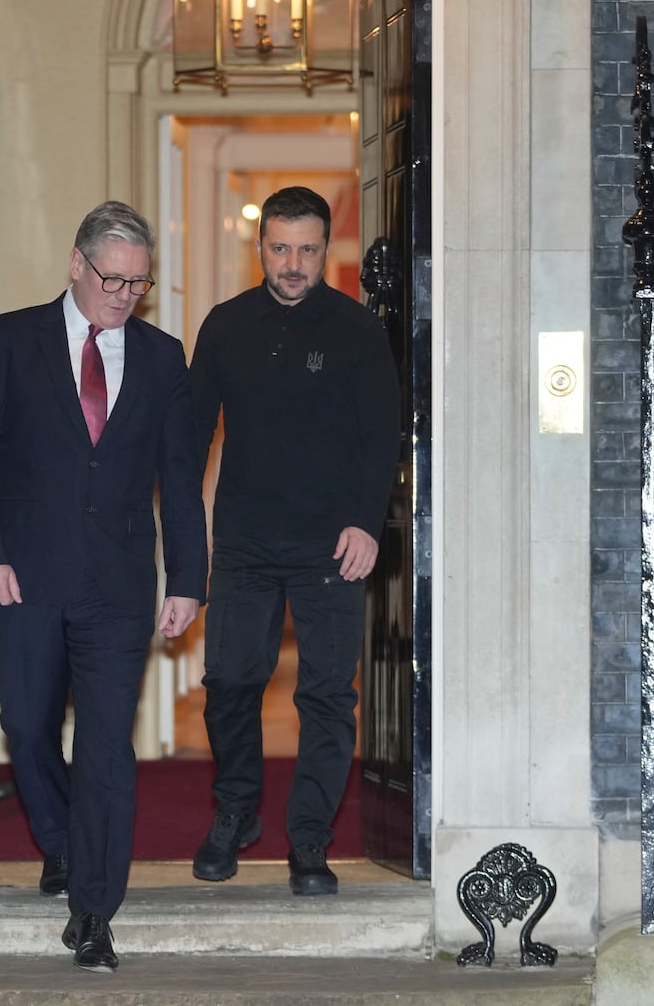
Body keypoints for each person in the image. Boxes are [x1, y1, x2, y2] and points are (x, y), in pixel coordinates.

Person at [0, 200, 208, 972]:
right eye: (112, 279)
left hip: (119, 583)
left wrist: (188, 579)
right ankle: (61, 842)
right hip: (24, 575)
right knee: (27, 727)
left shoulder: (163, 359)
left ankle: (94, 910)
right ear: (76, 263)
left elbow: (181, 480)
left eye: (139, 282)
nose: (125, 295)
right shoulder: (8, 339)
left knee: (105, 746)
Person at [187, 185, 401, 896]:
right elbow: (191, 437)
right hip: (245, 539)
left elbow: (382, 438)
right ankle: (237, 808)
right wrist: (178, 529)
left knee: (326, 696)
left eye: (308, 249)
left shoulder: (358, 329)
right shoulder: (224, 326)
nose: (293, 263)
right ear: (261, 249)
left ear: (326, 249)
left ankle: (309, 840)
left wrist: (366, 520)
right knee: (229, 681)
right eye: (280, 248)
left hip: (331, 544)